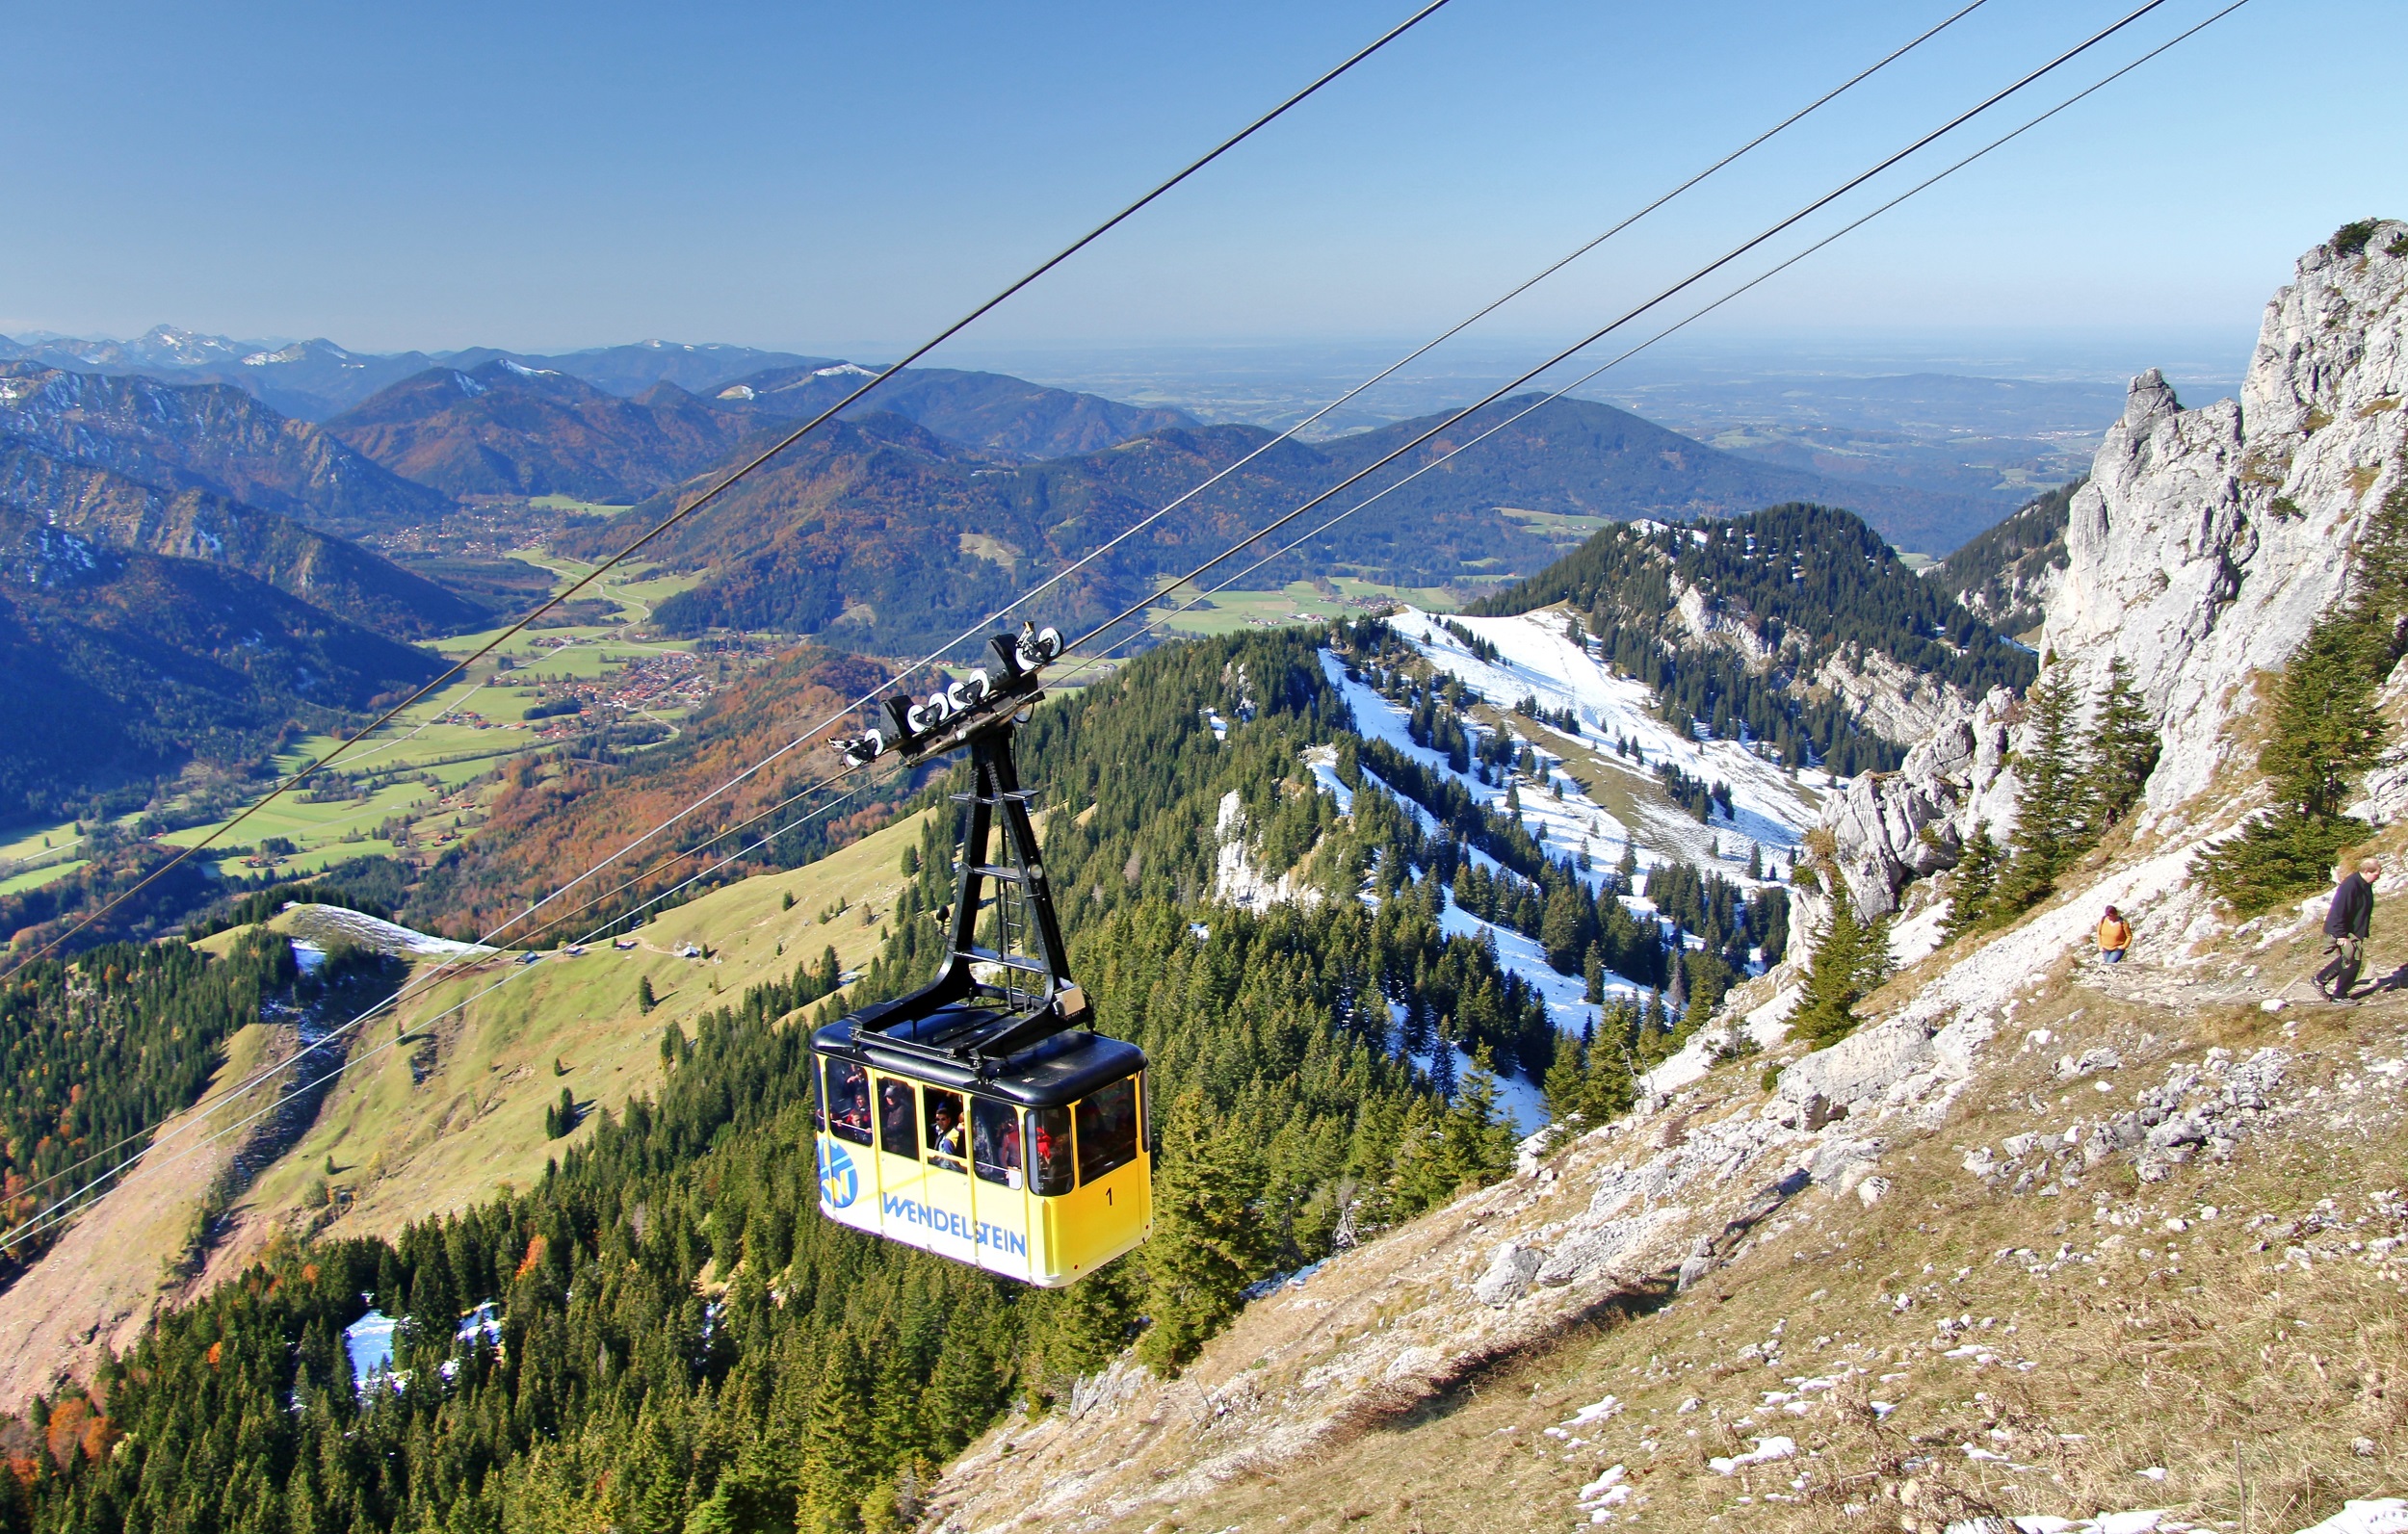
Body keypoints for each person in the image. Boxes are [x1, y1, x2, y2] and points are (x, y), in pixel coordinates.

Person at [2318, 856, 2379, 1001]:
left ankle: (2320, 980)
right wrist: (2341, 936)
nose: (2379, 876)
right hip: (2343, 932)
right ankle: (2340, 995)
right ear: (2367, 871)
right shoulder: (2351, 886)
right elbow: (2339, 911)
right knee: (2352, 961)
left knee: (2349, 959)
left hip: (2353, 930)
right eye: (2377, 873)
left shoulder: (2364, 884)